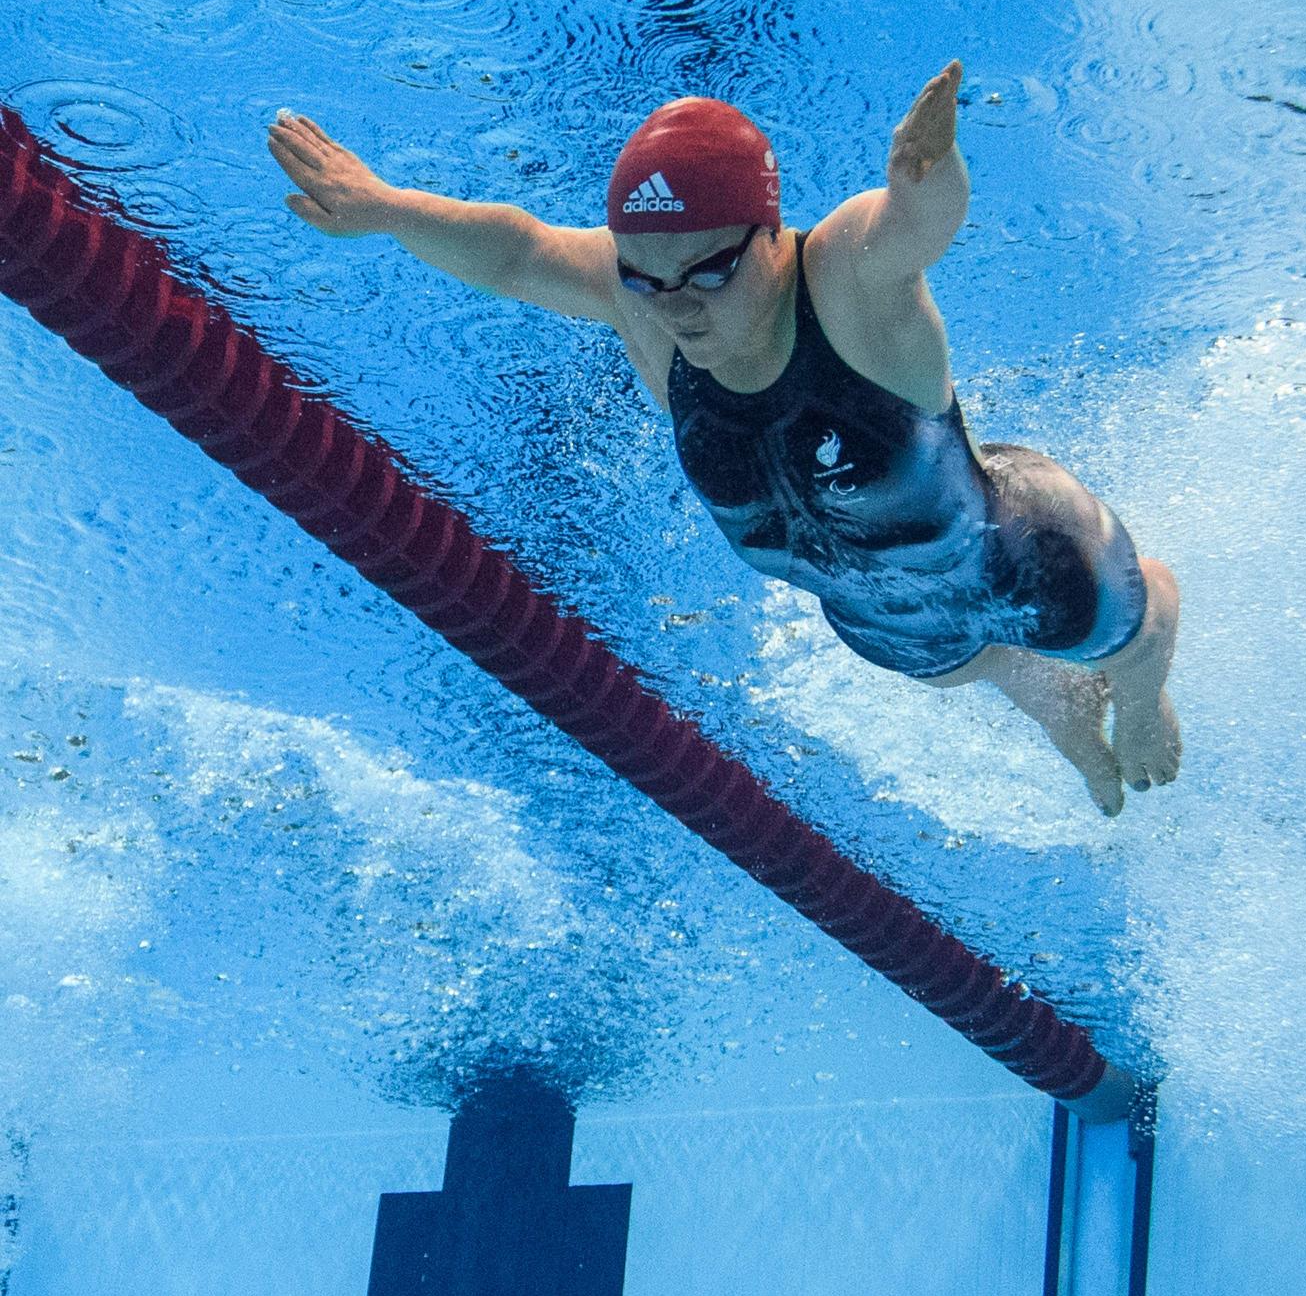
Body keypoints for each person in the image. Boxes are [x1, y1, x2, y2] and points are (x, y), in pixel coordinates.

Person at [266, 62, 1181, 817]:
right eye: (646, 277)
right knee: (969, 665)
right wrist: (386, 208)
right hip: (884, 618)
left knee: (1116, 633)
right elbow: (515, 251)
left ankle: (1130, 711)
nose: (677, 306)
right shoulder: (652, 305)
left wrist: (926, 173)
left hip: (1025, 554)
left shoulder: (843, 286)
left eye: (707, 272)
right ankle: (1064, 717)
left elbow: (915, 226)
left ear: (772, 235)